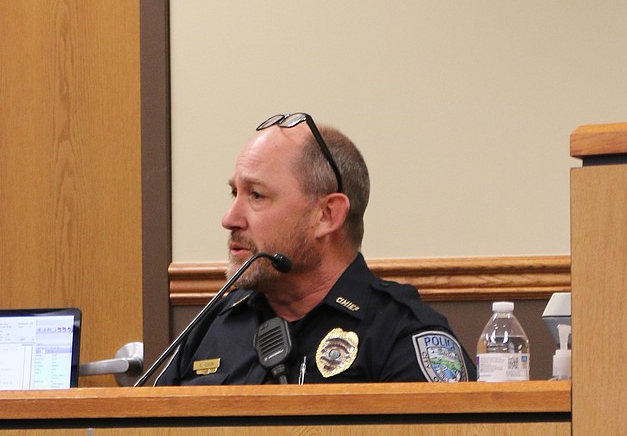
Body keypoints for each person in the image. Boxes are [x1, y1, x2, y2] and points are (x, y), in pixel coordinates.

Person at [154, 113, 475, 384]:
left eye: (256, 196)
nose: (229, 219)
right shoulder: (214, 326)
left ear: (327, 215)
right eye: (234, 193)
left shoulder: (401, 334)